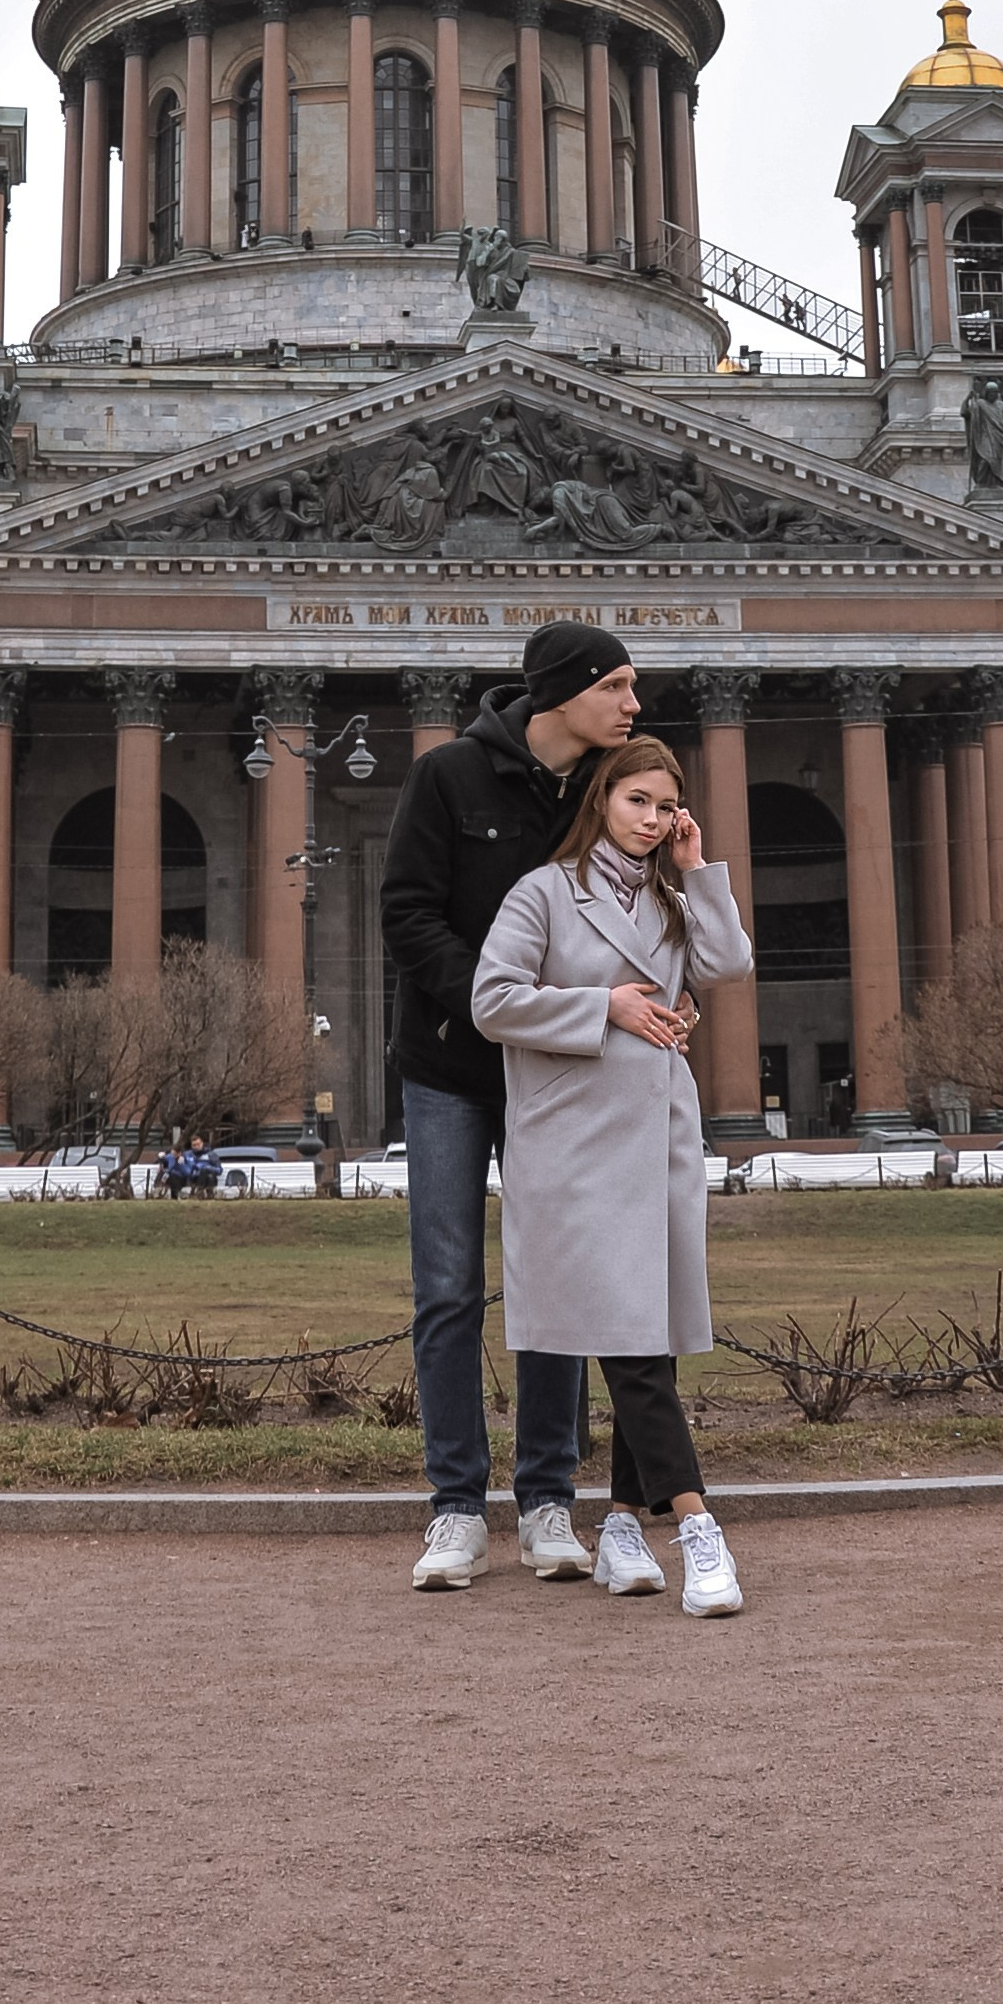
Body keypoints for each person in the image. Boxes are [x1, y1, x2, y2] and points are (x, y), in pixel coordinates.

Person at [381, 620, 640, 1589]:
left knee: (555, 1283)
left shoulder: (608, 793)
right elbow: (406, 910)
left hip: (557, 1075)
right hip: (451, 1069)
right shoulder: (447, 777)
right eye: (616, 686)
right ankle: (455, 1509)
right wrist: (495, 1005)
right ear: (563, 693)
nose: (631, 704)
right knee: (447, 1285)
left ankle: (544, 1504)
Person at [471, 736, 754, 1617]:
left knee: (651, 1335)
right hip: (574, 1149)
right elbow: (492, 1002)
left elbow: (727, 966)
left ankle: (625, 1524)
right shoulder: (543, 893)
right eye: (637, 800)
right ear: (600, 799)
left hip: (658, 1135)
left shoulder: (671, 901)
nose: (652, 818)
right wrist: (606, 1004)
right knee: (632, 1350)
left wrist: (698, 867)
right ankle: (699, 1528)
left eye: (666, 805)